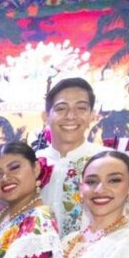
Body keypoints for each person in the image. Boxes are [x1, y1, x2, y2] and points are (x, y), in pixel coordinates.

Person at [36, 77, 104, 237]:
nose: (71, 116)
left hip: (94, 252)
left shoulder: (108, 162)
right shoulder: (31, 163)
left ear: (92, 115)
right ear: (46, 116)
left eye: (81, 108)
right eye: (61, 108)